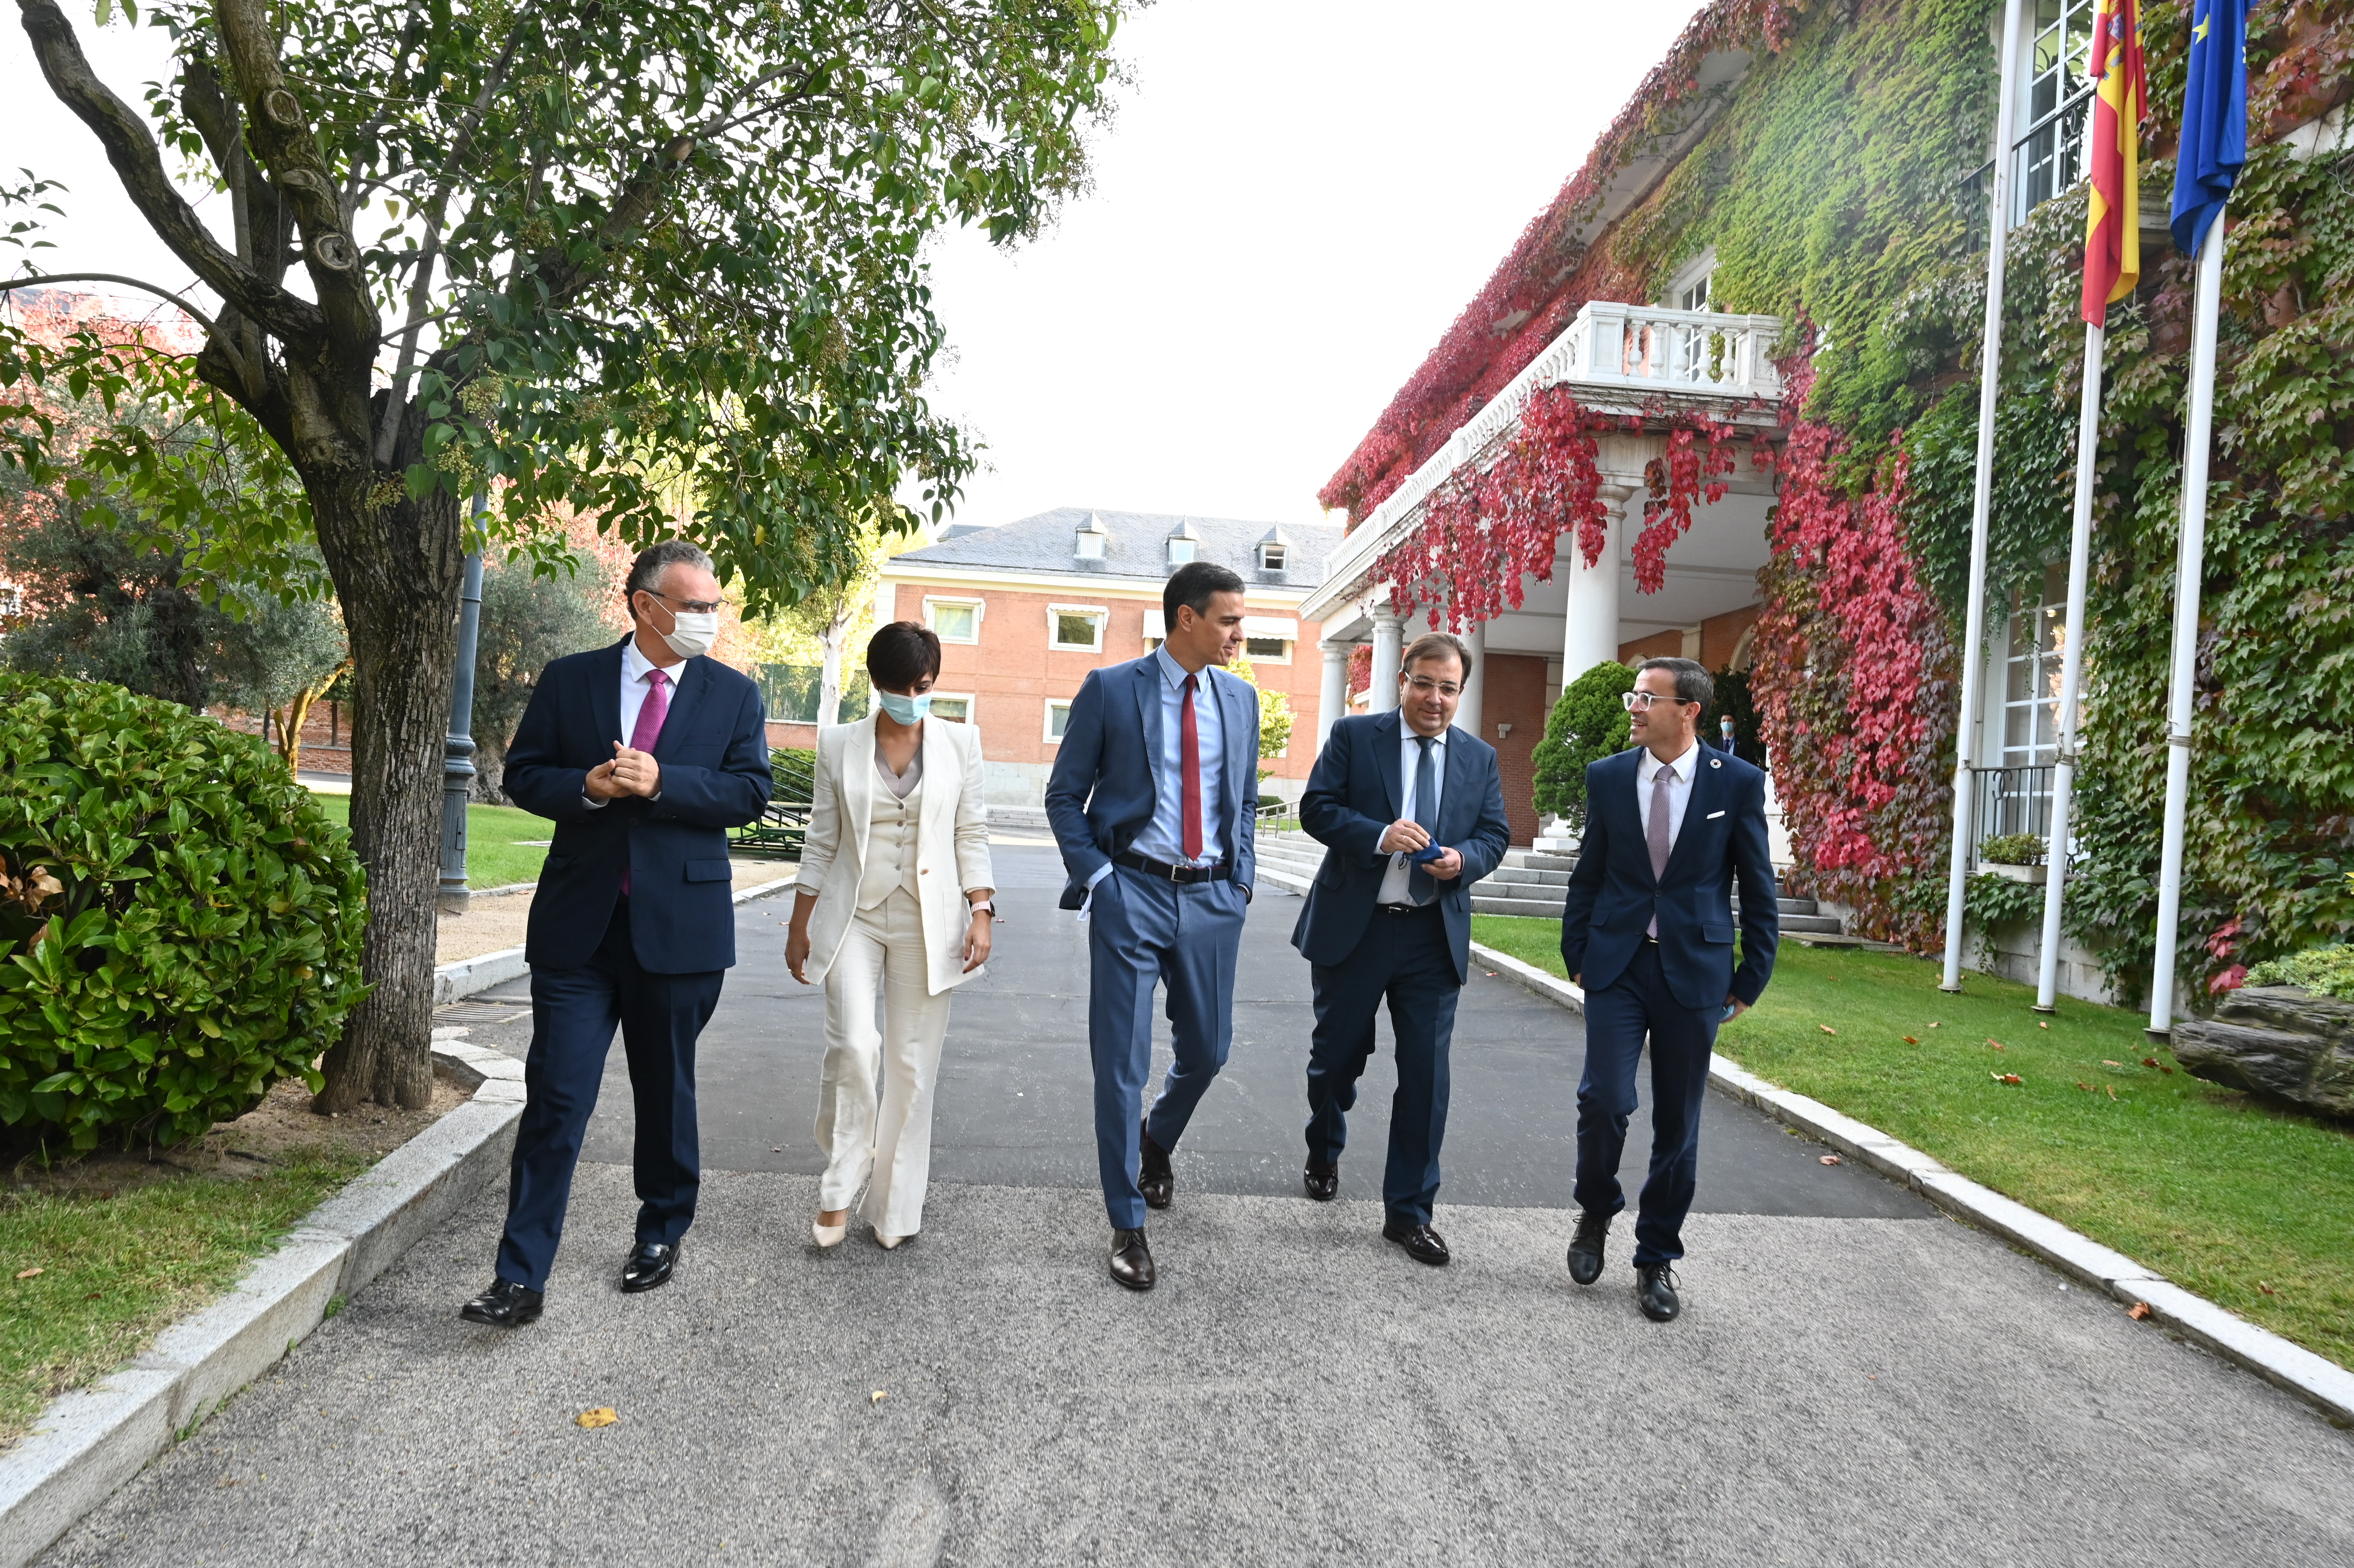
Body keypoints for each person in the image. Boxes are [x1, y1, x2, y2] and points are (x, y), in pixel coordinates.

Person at [461, 540, 773, 1328]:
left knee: (665, 1092)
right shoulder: (573, 680)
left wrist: (666, 782)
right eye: (695, 606)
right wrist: (588, 788)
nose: (709, 619)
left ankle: (661, 1230)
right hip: (580, 932)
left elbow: (750, 793)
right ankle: (520, 1276)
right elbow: (524, 771)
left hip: (681, 932)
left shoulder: (735, 696)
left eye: (713, 606)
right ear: (644, 605)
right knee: (556, 1098)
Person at [1044, 560, 1258, 1292]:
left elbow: (1245, 800)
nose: (1240, 632)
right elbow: (1065, 795)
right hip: (1131, 889)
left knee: (1210, 1050)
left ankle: (1155, 1139)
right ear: (1187, 619)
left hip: (1211, 901)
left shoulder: (1242, 699)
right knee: (1122, 1064)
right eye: (1229, 619)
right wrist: (1099, 878)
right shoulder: (1111, 690)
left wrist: (1242, 880)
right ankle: (1126, 1219)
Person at [1557, 656, 1778, 1323]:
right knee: (1604, 1098)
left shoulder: (1736, 783)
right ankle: (1595, 1212)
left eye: (1647, 697)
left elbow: (1757, 886)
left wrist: (1751, 976)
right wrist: (1577, 952)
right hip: (1617, 965)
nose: (1633, 706)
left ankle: (1656, 1256)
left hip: (1696, 971)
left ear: (1688, 711)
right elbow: (1588, 873)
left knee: (1678, 1125)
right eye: (1634, 694)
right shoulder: (1608, 777)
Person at [1291, 631, 1510, 1265]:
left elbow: (1495, 834)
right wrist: (1379, 834)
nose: (1435, 698)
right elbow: (1315, 809)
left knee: (1425, 1077)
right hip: (1354, 930)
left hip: (1430, 935)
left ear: (1460, 693)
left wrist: (1463, 860)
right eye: (1424, 683)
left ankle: (1409, 1213)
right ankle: (1324, 1142)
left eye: (1448, 688)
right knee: (1336, 1059)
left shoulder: (1479, 758)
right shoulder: (1355, 737)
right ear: (1402, 681)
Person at [784, 622, 995, 1249]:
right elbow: (822, 839)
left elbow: (971, 831)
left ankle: (895, 1204)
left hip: (929, 920)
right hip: (854, 915)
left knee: (911, 1063)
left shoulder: (962, 742)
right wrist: (800, 924)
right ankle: (838, 1186)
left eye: (922, 685)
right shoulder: (838, 743)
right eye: (898, 686)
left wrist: (980, 907)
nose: (911, 695)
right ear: (875, 683)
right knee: (853, 1045)